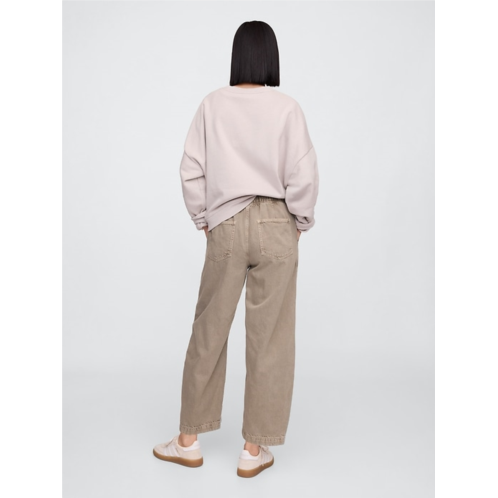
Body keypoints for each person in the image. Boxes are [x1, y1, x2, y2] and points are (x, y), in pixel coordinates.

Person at [153, 20, 319, 478]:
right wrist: (300, 221)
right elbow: (303, 174)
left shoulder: (212, 104)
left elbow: (191, 168)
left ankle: (188, 442)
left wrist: (203, 219)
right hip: (277, 224)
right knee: (271, 338)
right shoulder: (287, 108)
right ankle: (252, 450)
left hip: (225, 223)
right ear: (270, 58)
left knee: (209, 331)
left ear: (237, 56)